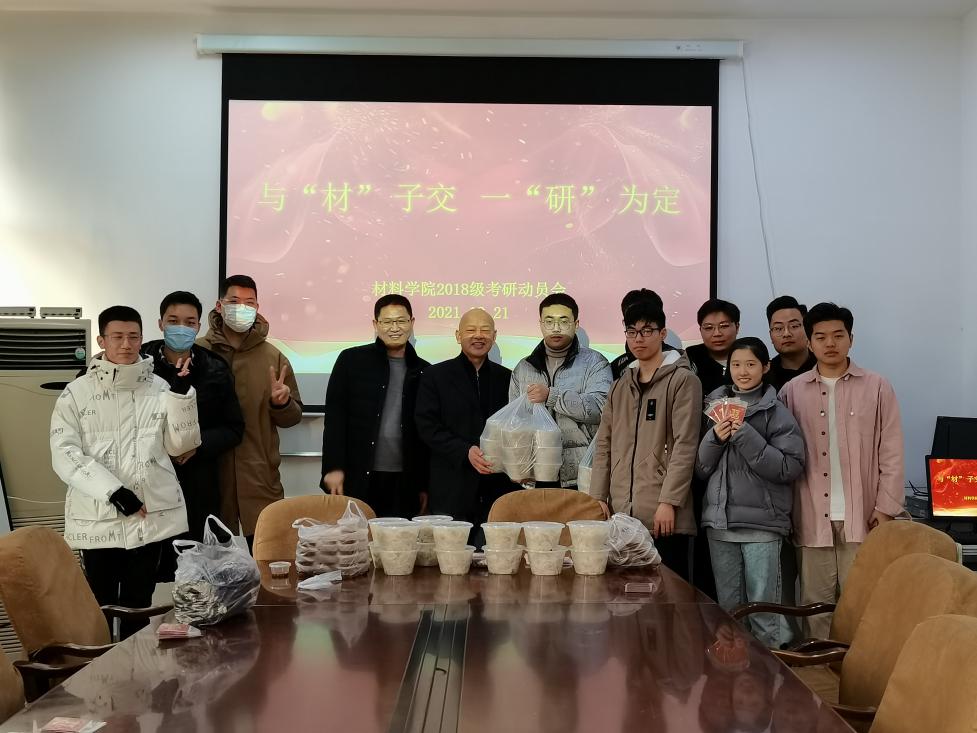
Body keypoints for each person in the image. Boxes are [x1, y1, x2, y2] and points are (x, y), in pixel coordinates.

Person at [50, 305, 200, 638]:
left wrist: (181, 397)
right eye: (117, 336)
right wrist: (114, 492)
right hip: (98, 515)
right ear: (102, 340)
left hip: (148, 515)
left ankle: (137, 669)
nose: (126, 344)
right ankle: (102, 670)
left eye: (133, 336)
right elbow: (64, 452)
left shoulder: (160, 387)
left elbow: (181, 446)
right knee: (100, 606)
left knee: (139, 605)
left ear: (142, 338)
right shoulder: (77, 393)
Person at [780, 302, 905, 639]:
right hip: (810, 515)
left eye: (838, 335)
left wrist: (886, 508)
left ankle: (856, 670)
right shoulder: (792, 391)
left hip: (864, 516)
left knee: (861, 605)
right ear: (809, 343)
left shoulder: (877, 387)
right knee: (814, 606)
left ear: (851, 338)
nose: (830, 343)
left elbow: (892, 450)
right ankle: (819, 670)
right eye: (821, 337)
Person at [695, 337, 805, 648]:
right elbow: (701, 469)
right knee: (730, 614)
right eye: (736, 364)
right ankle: (734, 673)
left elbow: (788, 468)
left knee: (764, 613)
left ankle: (768, 672)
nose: (742, 371)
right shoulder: (712, 407)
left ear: (765, 367)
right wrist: (714, 439)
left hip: (762, 527)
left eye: (751, 364)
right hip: (720, 525)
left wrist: (745, 435)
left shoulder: (776, 412)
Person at [590, 301, 702, 580]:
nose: (638, 338)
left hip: (663, 515)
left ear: (662, 334)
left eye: (647, 331)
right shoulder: (620, 385)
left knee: (667, 595)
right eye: (632, 332)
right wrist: (597, 497)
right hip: (621, 515)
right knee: (621, 595)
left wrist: (669, 502)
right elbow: (604, 444)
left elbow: (685, 445)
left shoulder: (684, 381)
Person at [141, 291, 244, 577]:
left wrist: (196, 446)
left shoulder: (215, 367)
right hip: (149, 482)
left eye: (189, 322)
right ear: (160, 323)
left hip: (198, 484)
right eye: (173, 321)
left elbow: (234, 428)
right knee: (150, 571)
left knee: (197, 572)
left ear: (199, 326)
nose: (181, 328)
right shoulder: (139, 363)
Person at [198, 275, 302, 543]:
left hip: (260, 476)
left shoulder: (273, 356)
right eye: (234, 301)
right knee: (212, 559)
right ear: (219, 306)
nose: (241, 308)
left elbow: (293, 417)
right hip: (209, 476)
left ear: (257, 307)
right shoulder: (198, 352)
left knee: (268, 555)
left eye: (249, 303)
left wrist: (281, 403)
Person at [320, 295, 430, 518]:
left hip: (406, 480)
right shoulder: (351, 361)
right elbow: (335, 418)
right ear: (375, 324)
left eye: (401, 321)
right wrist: (334, 467)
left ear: (412, 323)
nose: (394, 328)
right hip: (359, 474)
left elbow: (426, 434)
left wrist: (425, 484)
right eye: (387, 321)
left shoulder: (425, 371)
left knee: (401, 539)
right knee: (358, 537)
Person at [415, 308, 515, 530]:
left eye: (485, 330)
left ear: (494, 336)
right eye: (471, 330)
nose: (478, 335)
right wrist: (464, 451)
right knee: (451, 549)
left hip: (498, 486)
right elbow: (427, 426)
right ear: (458, 335)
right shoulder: (435, 376)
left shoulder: (508, 378)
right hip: (451, 485)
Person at [509, 293, 612, 488]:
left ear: (576, 324)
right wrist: (518, 465)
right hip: (535, 474)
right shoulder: (524, 368)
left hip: (581, 476)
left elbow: (601, 408)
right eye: (549, 321)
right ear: (540, 324)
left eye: (564, 321)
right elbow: (515, 423)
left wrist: (552, 396)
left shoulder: (595, 363)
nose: (556, 328)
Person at [610, 289, 679, 381]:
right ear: (624, 323)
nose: (638, 339)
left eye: (646, 330)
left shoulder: (681, 363)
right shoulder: (614, 367)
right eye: (632, 317)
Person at [685, 298, 740, 395]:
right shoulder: (690, 358)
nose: (717, 333)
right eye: (709, 328)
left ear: (737, 327)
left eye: (724, 326)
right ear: (700, 330)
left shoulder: (751, 356)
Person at [766, 296, 817, 391]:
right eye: (778, 328)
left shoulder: (825, 365)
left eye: (794, 326)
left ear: (808, 329)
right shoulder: (764, 375)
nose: (786, 334)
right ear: (770, 335)